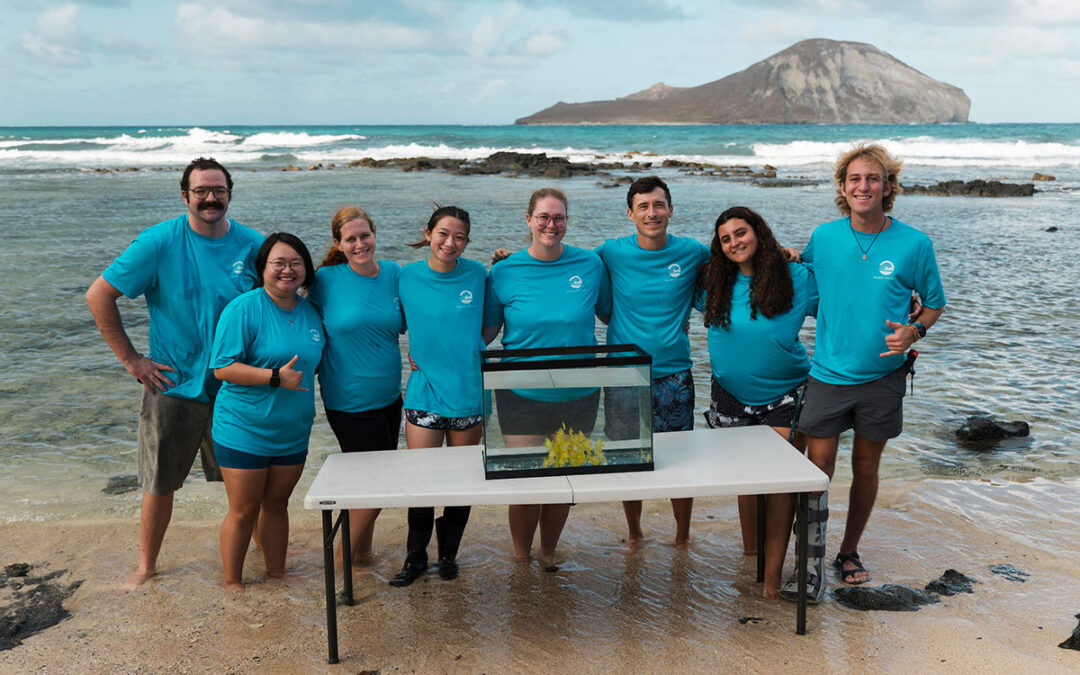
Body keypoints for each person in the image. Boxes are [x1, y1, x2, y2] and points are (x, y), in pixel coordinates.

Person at [85, 157, 264, 590]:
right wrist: (132, 360)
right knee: (159, 483)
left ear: (229, 193)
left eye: (218, 190)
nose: (210, 198)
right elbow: (99, 295)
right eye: (201, 190)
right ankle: (147, 565)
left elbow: (276, 303)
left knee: (244, 479)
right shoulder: (158, 242)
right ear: (185, 195)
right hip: (172, 384)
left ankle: (264, 548)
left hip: (235, 386)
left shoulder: (253, 245)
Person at [798, 143, 946, 592]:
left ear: (888, 187)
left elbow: (934, 304)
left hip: (883, 377)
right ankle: (809, 555)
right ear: (843, 188)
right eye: (855, 179)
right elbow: (799, 280)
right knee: (816, 470)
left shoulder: (915, 244)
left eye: (873, 178)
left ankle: (848, 552)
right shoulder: (824, 238)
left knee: (865, 467)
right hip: (826, 373)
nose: (864, 186)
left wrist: (913, 332)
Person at [694, 206, 818, 599]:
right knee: (747, 482)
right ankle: (751, 556)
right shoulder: (713, 281)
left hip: (786, 394)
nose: (735, 242)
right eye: (726, 238)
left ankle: (771, 579)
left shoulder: (796, 277)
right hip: (729, 396)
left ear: (759, 233)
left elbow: (843, 295)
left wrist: (908, 309)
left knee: (778, 485)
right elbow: (658, 278)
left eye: (741, 232)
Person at [483, 188, 611, 565]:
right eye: (543, 217)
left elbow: (611, 314)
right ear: (529, 220)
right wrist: (428, 353)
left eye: (558, 217)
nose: (551, 224)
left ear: (567, 221)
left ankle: (549, 553)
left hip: (580, 392)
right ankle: (521, 559)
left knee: (562, 481)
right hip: (519, 393)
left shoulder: (591, 265)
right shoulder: (503, 270)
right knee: (525, 483)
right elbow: (485, 333)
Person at [595, 176, 710, 549]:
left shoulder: (693, 253)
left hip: (674, 374)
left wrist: (784, 256)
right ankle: (634, 532)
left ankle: (682, 534)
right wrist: (507, 260)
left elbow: (732, 273)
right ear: (630, 213)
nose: (652, 212)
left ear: (671, 210)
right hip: (623, 373)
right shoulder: (611, 252)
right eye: (643, 206)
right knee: (627, 459)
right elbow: (565, 266)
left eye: (659, 205)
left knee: (682, 460)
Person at [209, 232, 323, 590]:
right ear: (263, 269)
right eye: (279, 263)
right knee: (243, 511)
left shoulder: (311, 312)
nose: (288, 270)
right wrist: (274, 376)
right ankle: (232, 582)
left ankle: (277, 571)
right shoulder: (243, 308)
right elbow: (222, 367)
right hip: (244, 428)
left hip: (292, 429)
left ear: (306, 269)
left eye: (296, 263)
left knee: (276, 504)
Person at [389, 206, 490, 587]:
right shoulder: (406, 276)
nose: (450, 243)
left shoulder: (478, 275)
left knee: (461, 482)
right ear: (428, 232)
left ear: (467, 241)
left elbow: (493, 319)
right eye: (443, 233)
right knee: (422, 481)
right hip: (424, 393)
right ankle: (415, 559)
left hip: (467, 393)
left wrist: (472, 349)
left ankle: (448, 556)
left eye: (459, 236)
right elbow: (390, 322)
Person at [307, 206, 404, 567]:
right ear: (339, 243)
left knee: (370, 485)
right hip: (348, 400)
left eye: (365, 236)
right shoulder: (325, 280)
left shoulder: (394, 273)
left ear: (374, 234)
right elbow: (294, 314)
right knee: (377, 487)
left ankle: (362, 554)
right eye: (351, 239)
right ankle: (337, 564)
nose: (360, 243)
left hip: (390, 397)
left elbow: (422, 312)